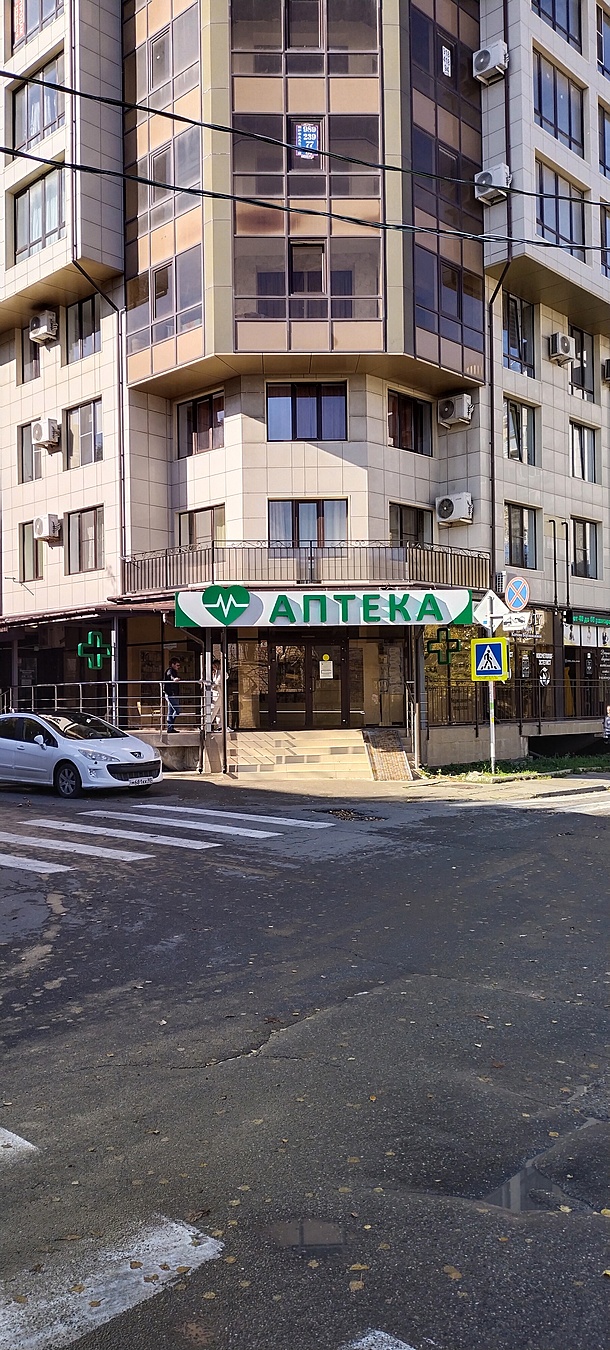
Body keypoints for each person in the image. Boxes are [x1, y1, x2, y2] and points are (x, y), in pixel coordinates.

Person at [164, 657, 181, 732]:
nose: (178, 667)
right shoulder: (170, 670)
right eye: (177, 665)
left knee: (170, 711)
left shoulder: (174, 671)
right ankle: (170, 725)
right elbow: (170, 676)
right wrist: (174, 679)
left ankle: (170, 727)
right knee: (177, 710)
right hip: (170, 693)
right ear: (173, 665)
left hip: (173, 693)